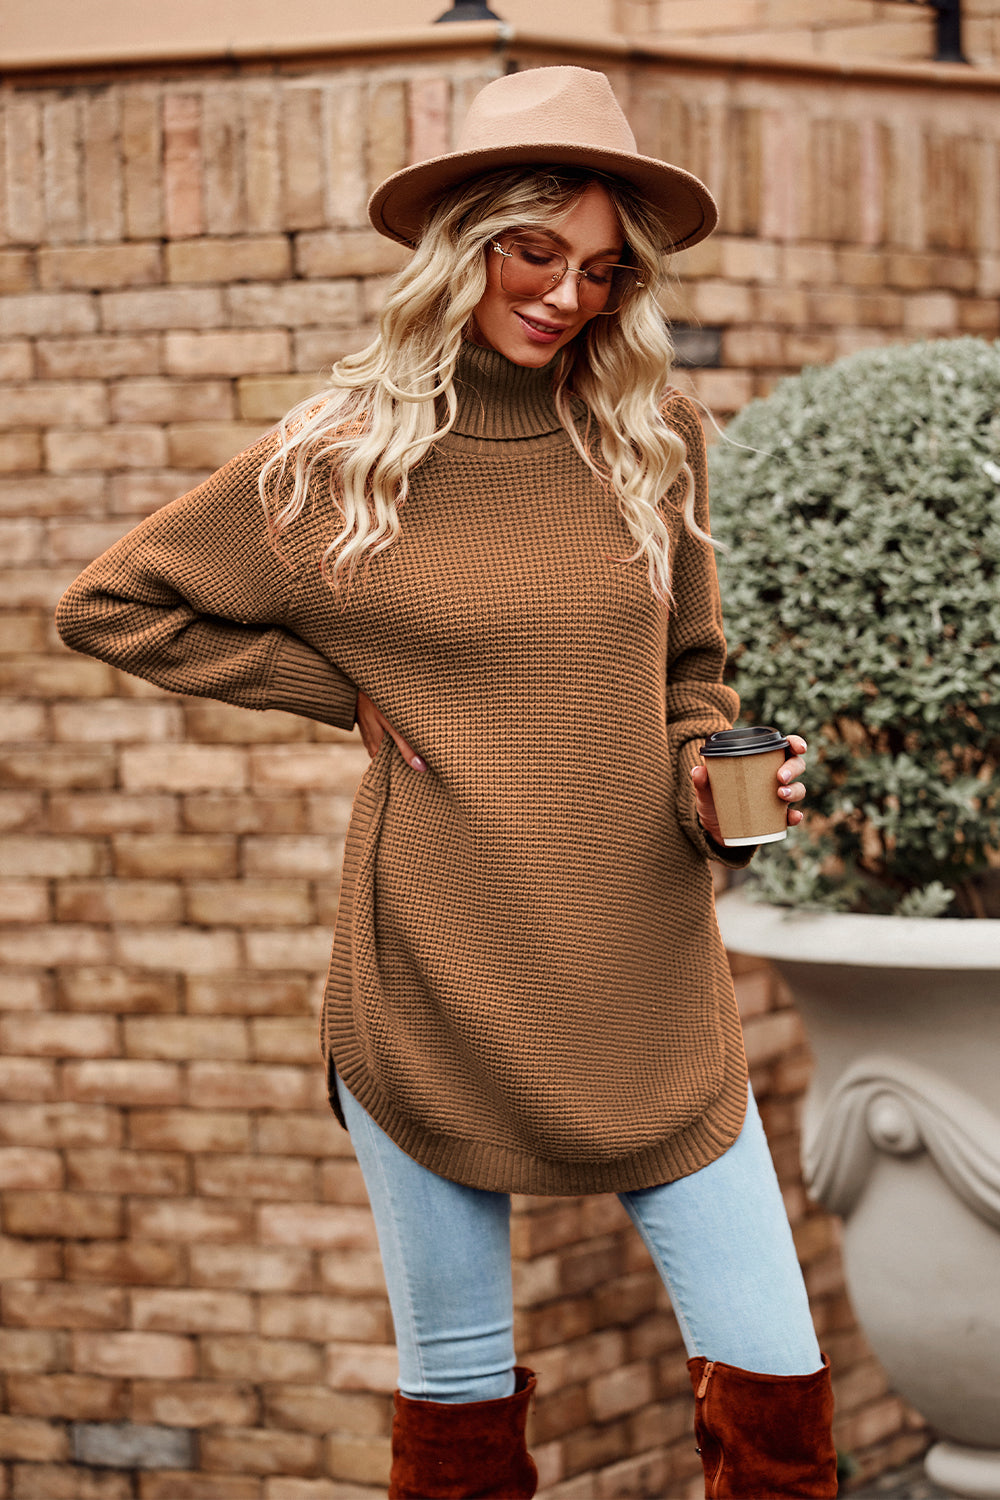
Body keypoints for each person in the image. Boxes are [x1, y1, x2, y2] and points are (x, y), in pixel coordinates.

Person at [56, 66, 837, 1500]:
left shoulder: (649, 440)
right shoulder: (342, 459)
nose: (567, 295)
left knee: (775, 1388)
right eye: (535, 252)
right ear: (464, 243)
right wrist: (344, 694)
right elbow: (113, 605)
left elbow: (691, 677)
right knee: (460, 1404)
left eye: (602, 270)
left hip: (646, 983)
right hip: (431, 980)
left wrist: (715, 777)